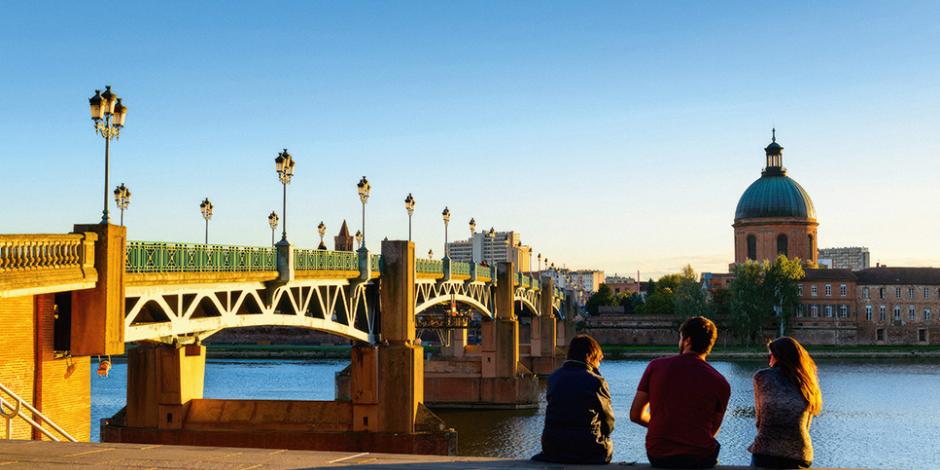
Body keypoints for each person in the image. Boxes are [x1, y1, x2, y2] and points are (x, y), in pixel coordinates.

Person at [629, 316, 730, 469]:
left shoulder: (656, 367)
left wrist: (662, 426)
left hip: (659, 455)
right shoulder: (721, 382)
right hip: (699, 457)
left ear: (687, 341)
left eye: (680, 338)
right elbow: (713, 429)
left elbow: (636, 414)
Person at [532, 334, 615, 464]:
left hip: (552, 448)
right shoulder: (596, 382)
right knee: (608, 443)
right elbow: (609, 423)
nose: (599, 365)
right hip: (588, 450)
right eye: (599, 360)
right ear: (592, 357)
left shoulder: (554, 378)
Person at [749, 336, 822, 469]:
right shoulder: (808, 383)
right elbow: (806, 425)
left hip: (766, 452)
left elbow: (760, 421)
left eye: (770, 356)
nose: (769, 361)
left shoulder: (762, 377)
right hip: (801, 454)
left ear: (778, 357)